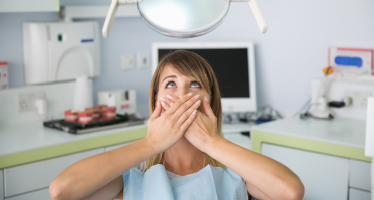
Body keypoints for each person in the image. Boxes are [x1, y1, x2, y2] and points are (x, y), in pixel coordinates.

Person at [49, 50, 304, 200]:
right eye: (170, 84)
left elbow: (291, 192)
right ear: (155, 101)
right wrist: (151, 144)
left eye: (195, 84)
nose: (182, 95)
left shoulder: (234, 176)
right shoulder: (132, 180)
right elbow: (61, 190)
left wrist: (210, 141)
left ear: (210, 101)